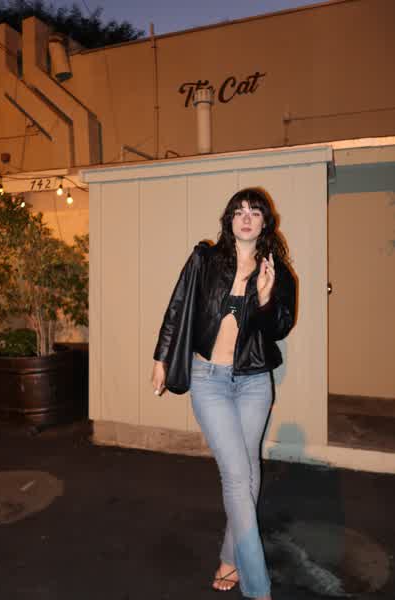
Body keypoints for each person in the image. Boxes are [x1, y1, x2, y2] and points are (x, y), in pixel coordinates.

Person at [151, 187, 297, 599]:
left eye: (255, 212)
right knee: (236, 476)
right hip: (208, 379)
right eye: (239, 211)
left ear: (266, 222)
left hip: (253, 381)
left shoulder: (278, 271)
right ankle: (257, 587)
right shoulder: (205, 260)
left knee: (248, 471)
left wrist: (265, 299)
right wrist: (162, 358)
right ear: (229, 220)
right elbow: (177, 307)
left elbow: (280, 327)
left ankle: (230, 557)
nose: (246, 218)